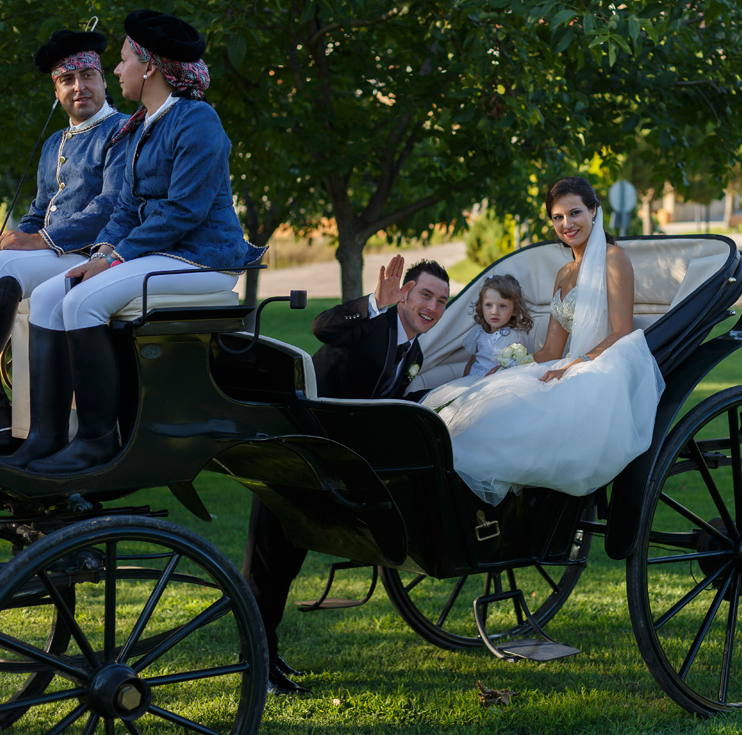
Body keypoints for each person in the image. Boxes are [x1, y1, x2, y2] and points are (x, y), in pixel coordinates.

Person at [13, 9, 265, 473]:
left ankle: (97, 442)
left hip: (203, 258)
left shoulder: (197, 121)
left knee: (81, 303)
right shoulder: (140, 126)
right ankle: (46, 436)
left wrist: (113, 260)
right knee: (51, 294)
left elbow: (184, 211)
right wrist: (105, 252)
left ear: (149, 67)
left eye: (124, 59)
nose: (116, 69)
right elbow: (125, 208)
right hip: (158, 253)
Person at [241, 257, 449, 694]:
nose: (432, 306)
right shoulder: (371, 323)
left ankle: (266, 655)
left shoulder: (413, 351)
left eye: (442, 301)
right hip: (291, 448)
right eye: (425, 295)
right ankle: (256, 666)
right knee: (267, 564)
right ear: (405, 293)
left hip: (323, 463)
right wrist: (374, 302)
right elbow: (322, 328)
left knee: (287, 561)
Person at [0, 28, 127, 451]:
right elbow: (39, 210)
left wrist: (36, 242)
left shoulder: (122, 131)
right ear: (56, 90)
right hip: (46, 257)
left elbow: (110, 208)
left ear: (104, 80)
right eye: (67, 81)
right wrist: (10, 246)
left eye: (87, 76)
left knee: (5, 267)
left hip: (90, 257)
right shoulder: (54, 143)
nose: (79, 88)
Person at [423, 177, 665, 505]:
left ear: (594, 211)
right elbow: (551, 349)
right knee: (473, 401)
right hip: (563, 363)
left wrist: (574, 365)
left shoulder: (614, 258)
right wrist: (508, 370)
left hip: (602, 365)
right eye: (557, 217)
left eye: (575, 213)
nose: (567, 224)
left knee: (509, 424)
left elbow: (621, 331)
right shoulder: (564, 274)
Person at [460, 274, 534, 377]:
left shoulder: (514, 336)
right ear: (481, 306)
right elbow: (472, 361)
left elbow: (518, 366)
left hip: (495, 384)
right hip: (473, 379)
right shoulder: (480, 331)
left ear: (514, 310)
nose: (494, 312)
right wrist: (465, 381)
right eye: (489, 305)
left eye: (502, 306)